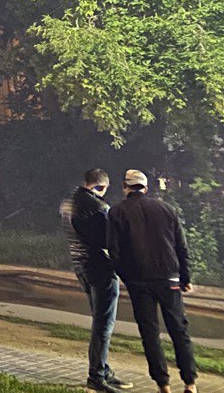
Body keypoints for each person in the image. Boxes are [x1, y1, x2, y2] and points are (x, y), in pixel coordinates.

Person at [108, 170, 198, 393]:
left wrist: (126, 277)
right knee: (179, 330)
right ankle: (190, 383)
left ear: (125, 187)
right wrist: (185, 277)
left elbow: (114, 251)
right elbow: (181, 246)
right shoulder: (166, 209)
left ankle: (163, 385)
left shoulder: (117, 212)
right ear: (145, 188)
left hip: (139, 281)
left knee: (150, 334)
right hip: (169, 277)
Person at [60, 168, 132, 393]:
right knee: (103, 325)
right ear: (100, 186)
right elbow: (110, 240)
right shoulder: (99, 208)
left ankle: (103, 369)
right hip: (100, 269)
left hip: (81, 267)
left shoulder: (67, 203)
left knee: (99, 321)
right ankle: (97, 377)